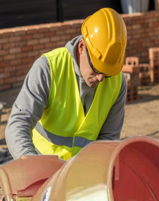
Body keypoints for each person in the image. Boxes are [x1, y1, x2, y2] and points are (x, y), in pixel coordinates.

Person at [5, 7, 127, 160]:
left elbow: (108, 139)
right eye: (96, 68)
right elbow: (18, 124)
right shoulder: (48, 69)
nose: (101, 78)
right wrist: (32, 165)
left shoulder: (118, 82)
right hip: (41, 164)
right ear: (82, 47)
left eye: (108, 72)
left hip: (82, 172)